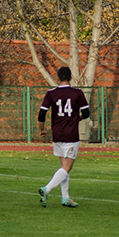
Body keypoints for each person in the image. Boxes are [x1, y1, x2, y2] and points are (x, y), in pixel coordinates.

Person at [37, 67, 89, 208]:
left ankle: (65, 198)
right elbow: (86, 113)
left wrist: (42, 130)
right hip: (71, 135)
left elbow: (41, 115)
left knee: (63, 167)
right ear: (71, 77)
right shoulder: (77, 93)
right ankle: (46, 189)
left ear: (58, 77)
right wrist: (76, 119)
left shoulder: (51, 93)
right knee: (67, 168)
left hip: (57, 134)